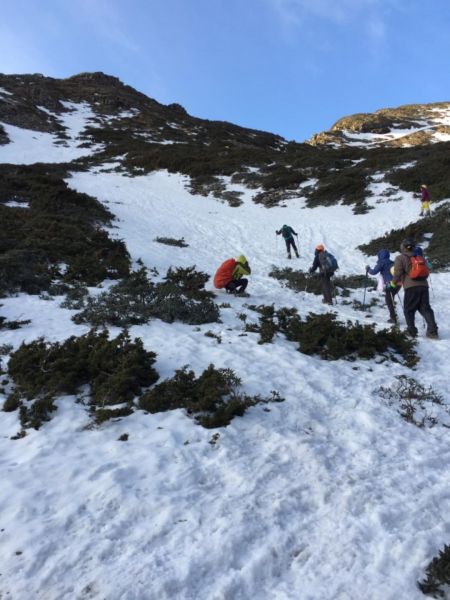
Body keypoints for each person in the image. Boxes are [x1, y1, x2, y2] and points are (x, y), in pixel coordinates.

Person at [390, 239, 438, 339]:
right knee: (425, 308)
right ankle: (432, 332)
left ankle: (411, 331)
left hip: (411, 287)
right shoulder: (420, 257)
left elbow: (398, 273)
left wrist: (392, 283)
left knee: (408, 310)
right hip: (424, 286)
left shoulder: (400, 258)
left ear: (402, 247)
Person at [366, 249, 398, 323]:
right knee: (391, 299)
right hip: (396, 283)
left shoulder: (381, 263)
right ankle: (393, 316)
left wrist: (368, 269)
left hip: (389, 284)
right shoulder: (392, 262)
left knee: (389, 300)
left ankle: (393, 318)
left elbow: (374, 272)